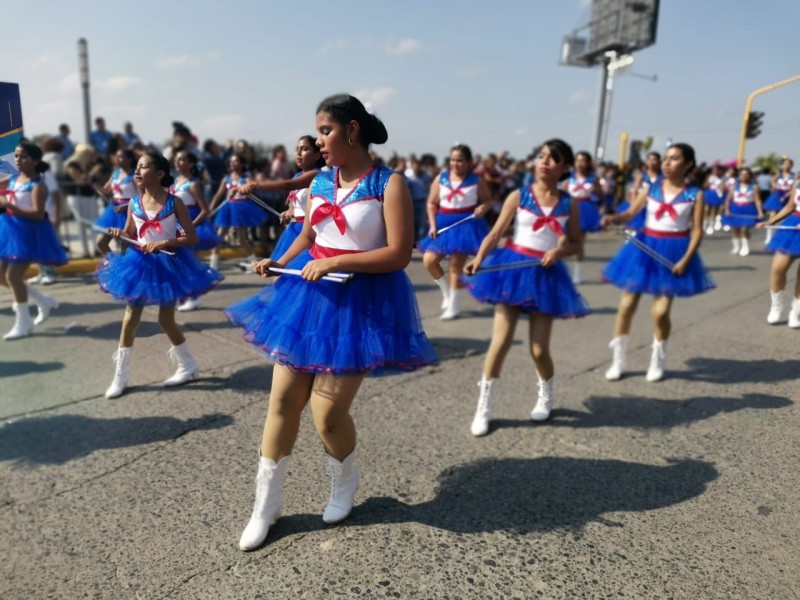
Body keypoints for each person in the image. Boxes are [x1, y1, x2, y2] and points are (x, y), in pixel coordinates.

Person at [225, 94, 437, 552]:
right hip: (308, 296)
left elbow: (400, 253)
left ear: (353, 131)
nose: (319, 141)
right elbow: (307, 232)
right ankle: (266, 505)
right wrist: (277, 259)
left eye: (325, 131)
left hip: (360, 303)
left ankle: (344, 481)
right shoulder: (321, 181)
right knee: (282, 400)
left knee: (327, 413)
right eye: (318, 132)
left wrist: (338, 260)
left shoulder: (388, 184)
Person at [463, 139, 590, 435]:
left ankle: (546, 393)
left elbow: (575, 244)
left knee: (538, 348)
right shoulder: (519, 195)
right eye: (542, 156)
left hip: (545, 276)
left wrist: (558, 252)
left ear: (564, 168)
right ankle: (484, 406)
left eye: (552, 158)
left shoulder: (569, 203)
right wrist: (479, 258)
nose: (544, 162)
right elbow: (495, 233)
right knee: (501, 341)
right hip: (511, 271)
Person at [95, 151, 223, 398]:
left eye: (142, 167)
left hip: (167, 264)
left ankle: (188, 365)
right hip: (139, 265)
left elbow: (191, 237)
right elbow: (131, 238)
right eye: (137, 167)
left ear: (159, 173)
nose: (137, 172)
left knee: (166, 320)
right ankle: (120, 376)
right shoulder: (133, 203)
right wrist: (118, 235)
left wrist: (164, 243)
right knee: (130, 320)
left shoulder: (174, 203)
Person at [601, 143, 715, 382]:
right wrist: (613, 217)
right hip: (644, 247)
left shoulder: (695, 194)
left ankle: (658, 357)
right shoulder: (652, 188)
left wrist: (686, 259)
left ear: (688, 164)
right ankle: (619, 358)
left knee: (660, 312)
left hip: (674, 251)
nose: (666, 162)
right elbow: (630, 214)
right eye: (665, 158)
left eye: (674, 158)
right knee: (626, 305)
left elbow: (696, 231)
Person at [0, 141, 67, 340]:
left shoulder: (38, 185)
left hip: (29, 233)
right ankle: (43, 300)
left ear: (35, 161)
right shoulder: (13, 179)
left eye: (24, 157)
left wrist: (9, 205)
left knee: (13, 276)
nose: (18, 160)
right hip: (10, 230)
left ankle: (24, 322)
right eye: (17, 156)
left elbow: (38, 214)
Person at [418, 144, 492, 320]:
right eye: (453, 159)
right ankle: (446, 292)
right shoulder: (441, 178)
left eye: (460, 160)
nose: (455, 163)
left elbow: (488, 200)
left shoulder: (476, 180)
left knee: (455, 266)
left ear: (468, 162)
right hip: (444, 223)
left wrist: (483, 207)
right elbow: (431, 203)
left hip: (466, 224)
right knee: (429, 261)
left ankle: (454, 304)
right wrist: (433, 224)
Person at [236, 135, 324, 260]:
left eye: (304, 149)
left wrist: (255, 184)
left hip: (309, 231)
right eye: (297, 148)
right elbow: (294, 205)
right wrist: (289, 212)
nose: (298, 152)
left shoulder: (317, 174)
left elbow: (285, 185)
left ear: (317, 155)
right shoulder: (298, 175)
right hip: (294, 230)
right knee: (283, 272)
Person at [172, 150, 222, 311]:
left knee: (190, 262)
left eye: (182, 159)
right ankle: (186, 294)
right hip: (176, 224)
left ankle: (195, 297)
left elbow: (205, 210)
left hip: (191, 224)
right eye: (177, 159)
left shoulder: (193, 184)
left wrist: (190, 225)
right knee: (180, 263)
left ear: (191, 164)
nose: (178, 162)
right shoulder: (175, 182)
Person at [208, 154, 264, 270]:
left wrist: (247, 186)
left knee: (241, 237)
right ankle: (213, 264)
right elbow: (219, 194)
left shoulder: (246, 178)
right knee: (219, 235)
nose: (233, 164)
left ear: (242, 164)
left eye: (236, 161)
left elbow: (252, 186)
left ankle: (253, 262)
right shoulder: (226, 179)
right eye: (231, 161)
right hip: (227, 208)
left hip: (241, 208)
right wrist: (211, 208)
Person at [760, 179, 800, 327]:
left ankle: (796, 311)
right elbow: (790, 206)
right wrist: (772, 220)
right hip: (793, 225)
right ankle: (776, 306)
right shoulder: (798, 182)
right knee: (778, 269)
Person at [563, 151, 603, 284]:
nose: (580, 163)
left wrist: (595, 192)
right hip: (569, 209)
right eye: (578, 160)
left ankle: (578, 272)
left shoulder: (593, 178)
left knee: (578, 242)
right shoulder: (569, 178)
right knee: (563, 241)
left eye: (583, 160)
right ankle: (563, 271)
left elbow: (601, 195)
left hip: (585, 210)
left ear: (588, 163)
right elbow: (561, 193)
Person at [95, 149, 137, 255]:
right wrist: (94, 185)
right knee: (101, 242)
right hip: (114, 211)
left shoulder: (135, 175)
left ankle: (125, 267)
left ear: (129, 160)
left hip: (129, 212)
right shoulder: (116, 173)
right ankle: (115, 264)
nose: (118, 159)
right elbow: (106, 190)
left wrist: (127, 206)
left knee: (126, 247)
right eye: (116, 157)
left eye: (121, 157)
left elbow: (141, 197)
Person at [722, 167, 764, 257]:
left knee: (745, 229)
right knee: (735, 229)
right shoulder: (734, 187)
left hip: (748, 209)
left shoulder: (754, 187)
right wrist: (727, 209)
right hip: (735, 208)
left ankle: (745, 246)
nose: (744, 176)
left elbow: (757, 200)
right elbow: (728, 199)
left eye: (746, 174)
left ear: (750, 176)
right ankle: (736, 246)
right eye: (742, 174)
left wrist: (760, 212)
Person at [763, 157, 794, 245]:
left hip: (788, 196)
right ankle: (769, 235)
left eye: (788, 164)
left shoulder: (793, 176)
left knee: (787, 216)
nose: (786, 166)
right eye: (785, 164)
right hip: (777, 195)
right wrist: (774, 186)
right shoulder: (779, 174)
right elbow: (772, 181)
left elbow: (793, 188)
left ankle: (782, 235)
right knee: (772, 214)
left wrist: (787, 194)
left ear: (791, 166)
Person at [703, 162, 726, 234]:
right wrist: (708, 183)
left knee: (714, 210)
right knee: (706, 210)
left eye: (717, 170)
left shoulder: (722, 178)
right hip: (709, 193)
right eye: (714, 169)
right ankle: (704, 224)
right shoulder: (709, 177)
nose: (715, 171)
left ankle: (711, 225)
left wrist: (720, 187)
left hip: (716, 194)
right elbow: (704, 185)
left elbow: (723, 187)